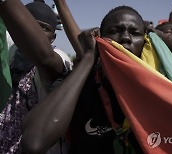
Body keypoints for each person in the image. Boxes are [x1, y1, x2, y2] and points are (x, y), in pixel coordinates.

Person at [21, 1, 146, 153]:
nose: (126, 37)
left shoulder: (158, 87)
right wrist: (88, 58)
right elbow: (34, 142)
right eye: (116, 30)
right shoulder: (81, 83)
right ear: (99, 38)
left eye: (135, 33)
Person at [0, 1, 72, 153]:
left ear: (53, 37)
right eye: (29, 24)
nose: (34, 32)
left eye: (43, 28)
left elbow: (45, 57)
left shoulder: (60, 58)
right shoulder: (10, 48)